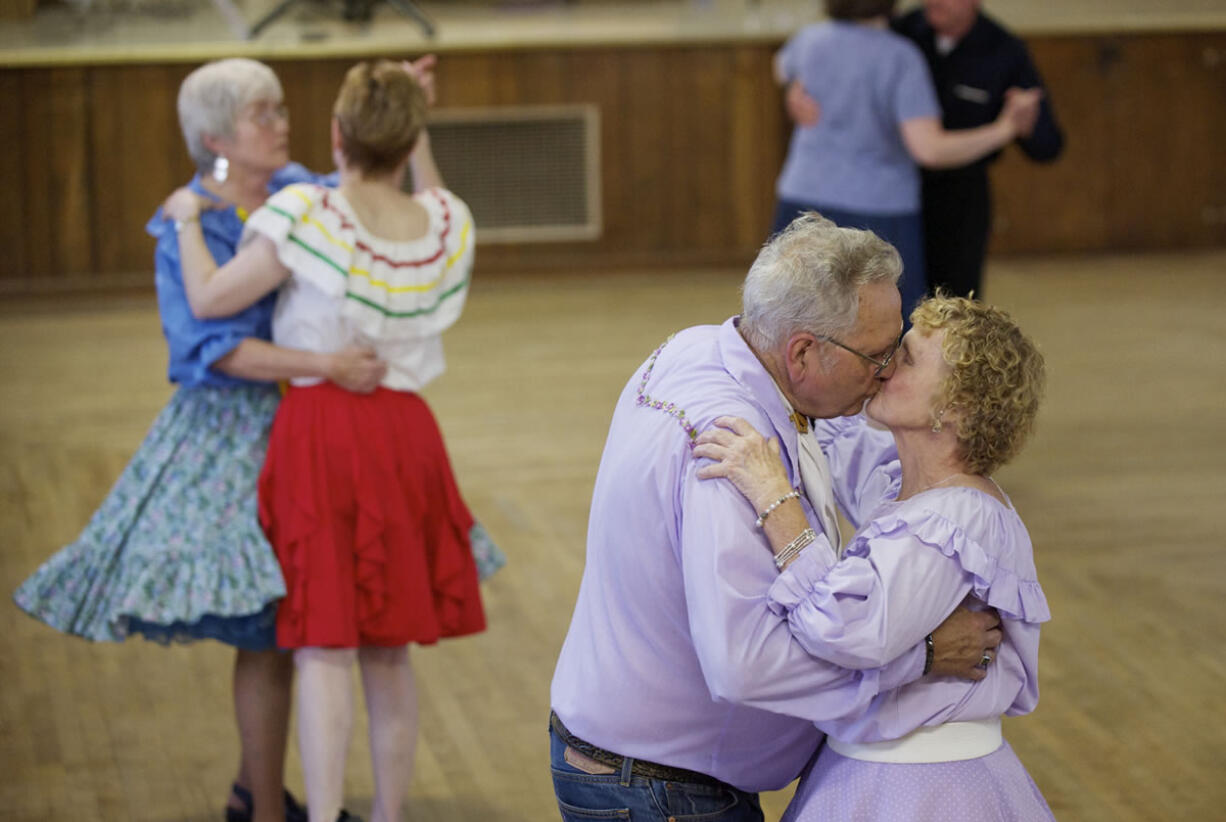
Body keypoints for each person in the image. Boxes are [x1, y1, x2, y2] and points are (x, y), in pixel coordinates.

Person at [12, 57, 388, 822]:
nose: (281, 123)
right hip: (231, 437)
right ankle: (264, 804)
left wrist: (401, 119)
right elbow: (207, 351)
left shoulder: (298, 189)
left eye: (281, 109)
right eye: (263, 113)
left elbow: (375, 204)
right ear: (216, 135)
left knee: (293, 626)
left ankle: (260, 796)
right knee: (264, 624)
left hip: (313, 424)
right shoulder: (188, 223)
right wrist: (324, 362)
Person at [549, 213, 1004, 822]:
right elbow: (747, 666)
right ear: (803, 353)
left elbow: (855, 453)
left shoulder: (706, 347)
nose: (888, 371)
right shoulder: (729, 454)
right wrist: (921, 655)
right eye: (877, 356)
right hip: (662, 793)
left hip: (644, 768)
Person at [163, 59, 489, 822]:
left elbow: (210, 298)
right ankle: (389, 814)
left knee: (323, 644)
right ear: (408, 139)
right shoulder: (446, 220)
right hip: (408, 432)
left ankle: (318, 817)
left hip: (322, 429)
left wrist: (183, 218)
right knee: (389, 649)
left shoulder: (306, 211)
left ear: (335, 134)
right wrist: (411, 118)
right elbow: (430, 188)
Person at [693, 294, 1053, 820]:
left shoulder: (958, 519)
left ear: (952, 407)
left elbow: (847, 628)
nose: (884, 368)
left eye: (905, 357)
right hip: (868, 773)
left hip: (924, 790)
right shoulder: (908, 484)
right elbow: (836, 426)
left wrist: (777, 500)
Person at [771, 0, 1040, 319]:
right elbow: (929, 149)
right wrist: (1005, 129)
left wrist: (794, 89)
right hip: (879, 210)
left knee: (795, 314)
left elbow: (780, 66)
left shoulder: (809, 40)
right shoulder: (900, 57)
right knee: (884, 325)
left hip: (802, 199)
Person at [894, 0, 1064, 298]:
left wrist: (1026, 124)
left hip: (960, 197)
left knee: (955, 305)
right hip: (897, 188)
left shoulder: (1004, 50)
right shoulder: (904, 31)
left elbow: (1048, 146)